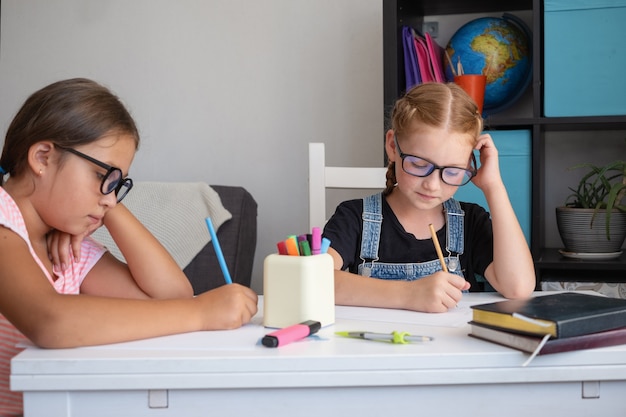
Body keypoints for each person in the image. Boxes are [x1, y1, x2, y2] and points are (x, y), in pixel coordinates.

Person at [0, 78, 258, 415]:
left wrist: (111, 211)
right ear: (43, 157)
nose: (108, 198)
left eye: (117, 185)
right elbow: (51, 321)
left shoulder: (66, 247)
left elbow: (171, 295)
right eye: (101, 176)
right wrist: (202, 312)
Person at [323, 82, 535, 314]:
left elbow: (519, 287)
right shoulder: (355, 218)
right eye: (418, 164)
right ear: (393, 146)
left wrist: (494, 187)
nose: (432, 185)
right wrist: (410, 294)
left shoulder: (470, 221)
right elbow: (316, 281)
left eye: (453, 171)